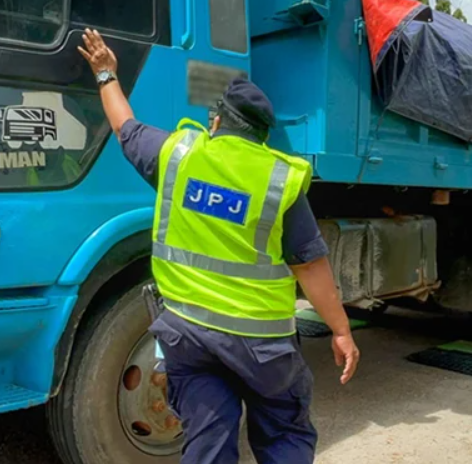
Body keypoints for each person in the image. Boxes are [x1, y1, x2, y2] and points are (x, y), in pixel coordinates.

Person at [78, 28, 359, 464]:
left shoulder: (178, 157)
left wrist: (105, 74)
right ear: (262, 135)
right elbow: (311, 267)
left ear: (216, 121)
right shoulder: (277, 180)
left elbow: (126, 129)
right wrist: (340, 330)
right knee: (284, 435)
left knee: (207, 443)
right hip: (262, 347)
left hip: (189, 336)